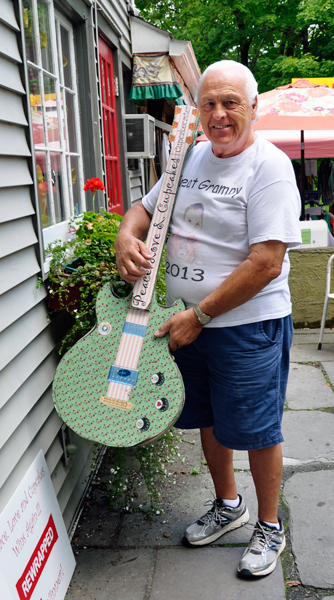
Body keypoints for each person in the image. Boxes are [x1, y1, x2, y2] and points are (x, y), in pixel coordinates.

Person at [115, 60, 302, 577]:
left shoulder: (269, 167)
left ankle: (269, 525)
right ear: (197, 111)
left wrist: (200, 313)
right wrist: (125, 236)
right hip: (184, 322)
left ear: (254, 108)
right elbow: (143, 209)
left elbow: (267, 262)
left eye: (230, 103)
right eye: (209, 104)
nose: (218, 115)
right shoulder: (189, 155)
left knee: (259, 428)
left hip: (245, 325)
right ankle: (228, 504)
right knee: (209, 418)